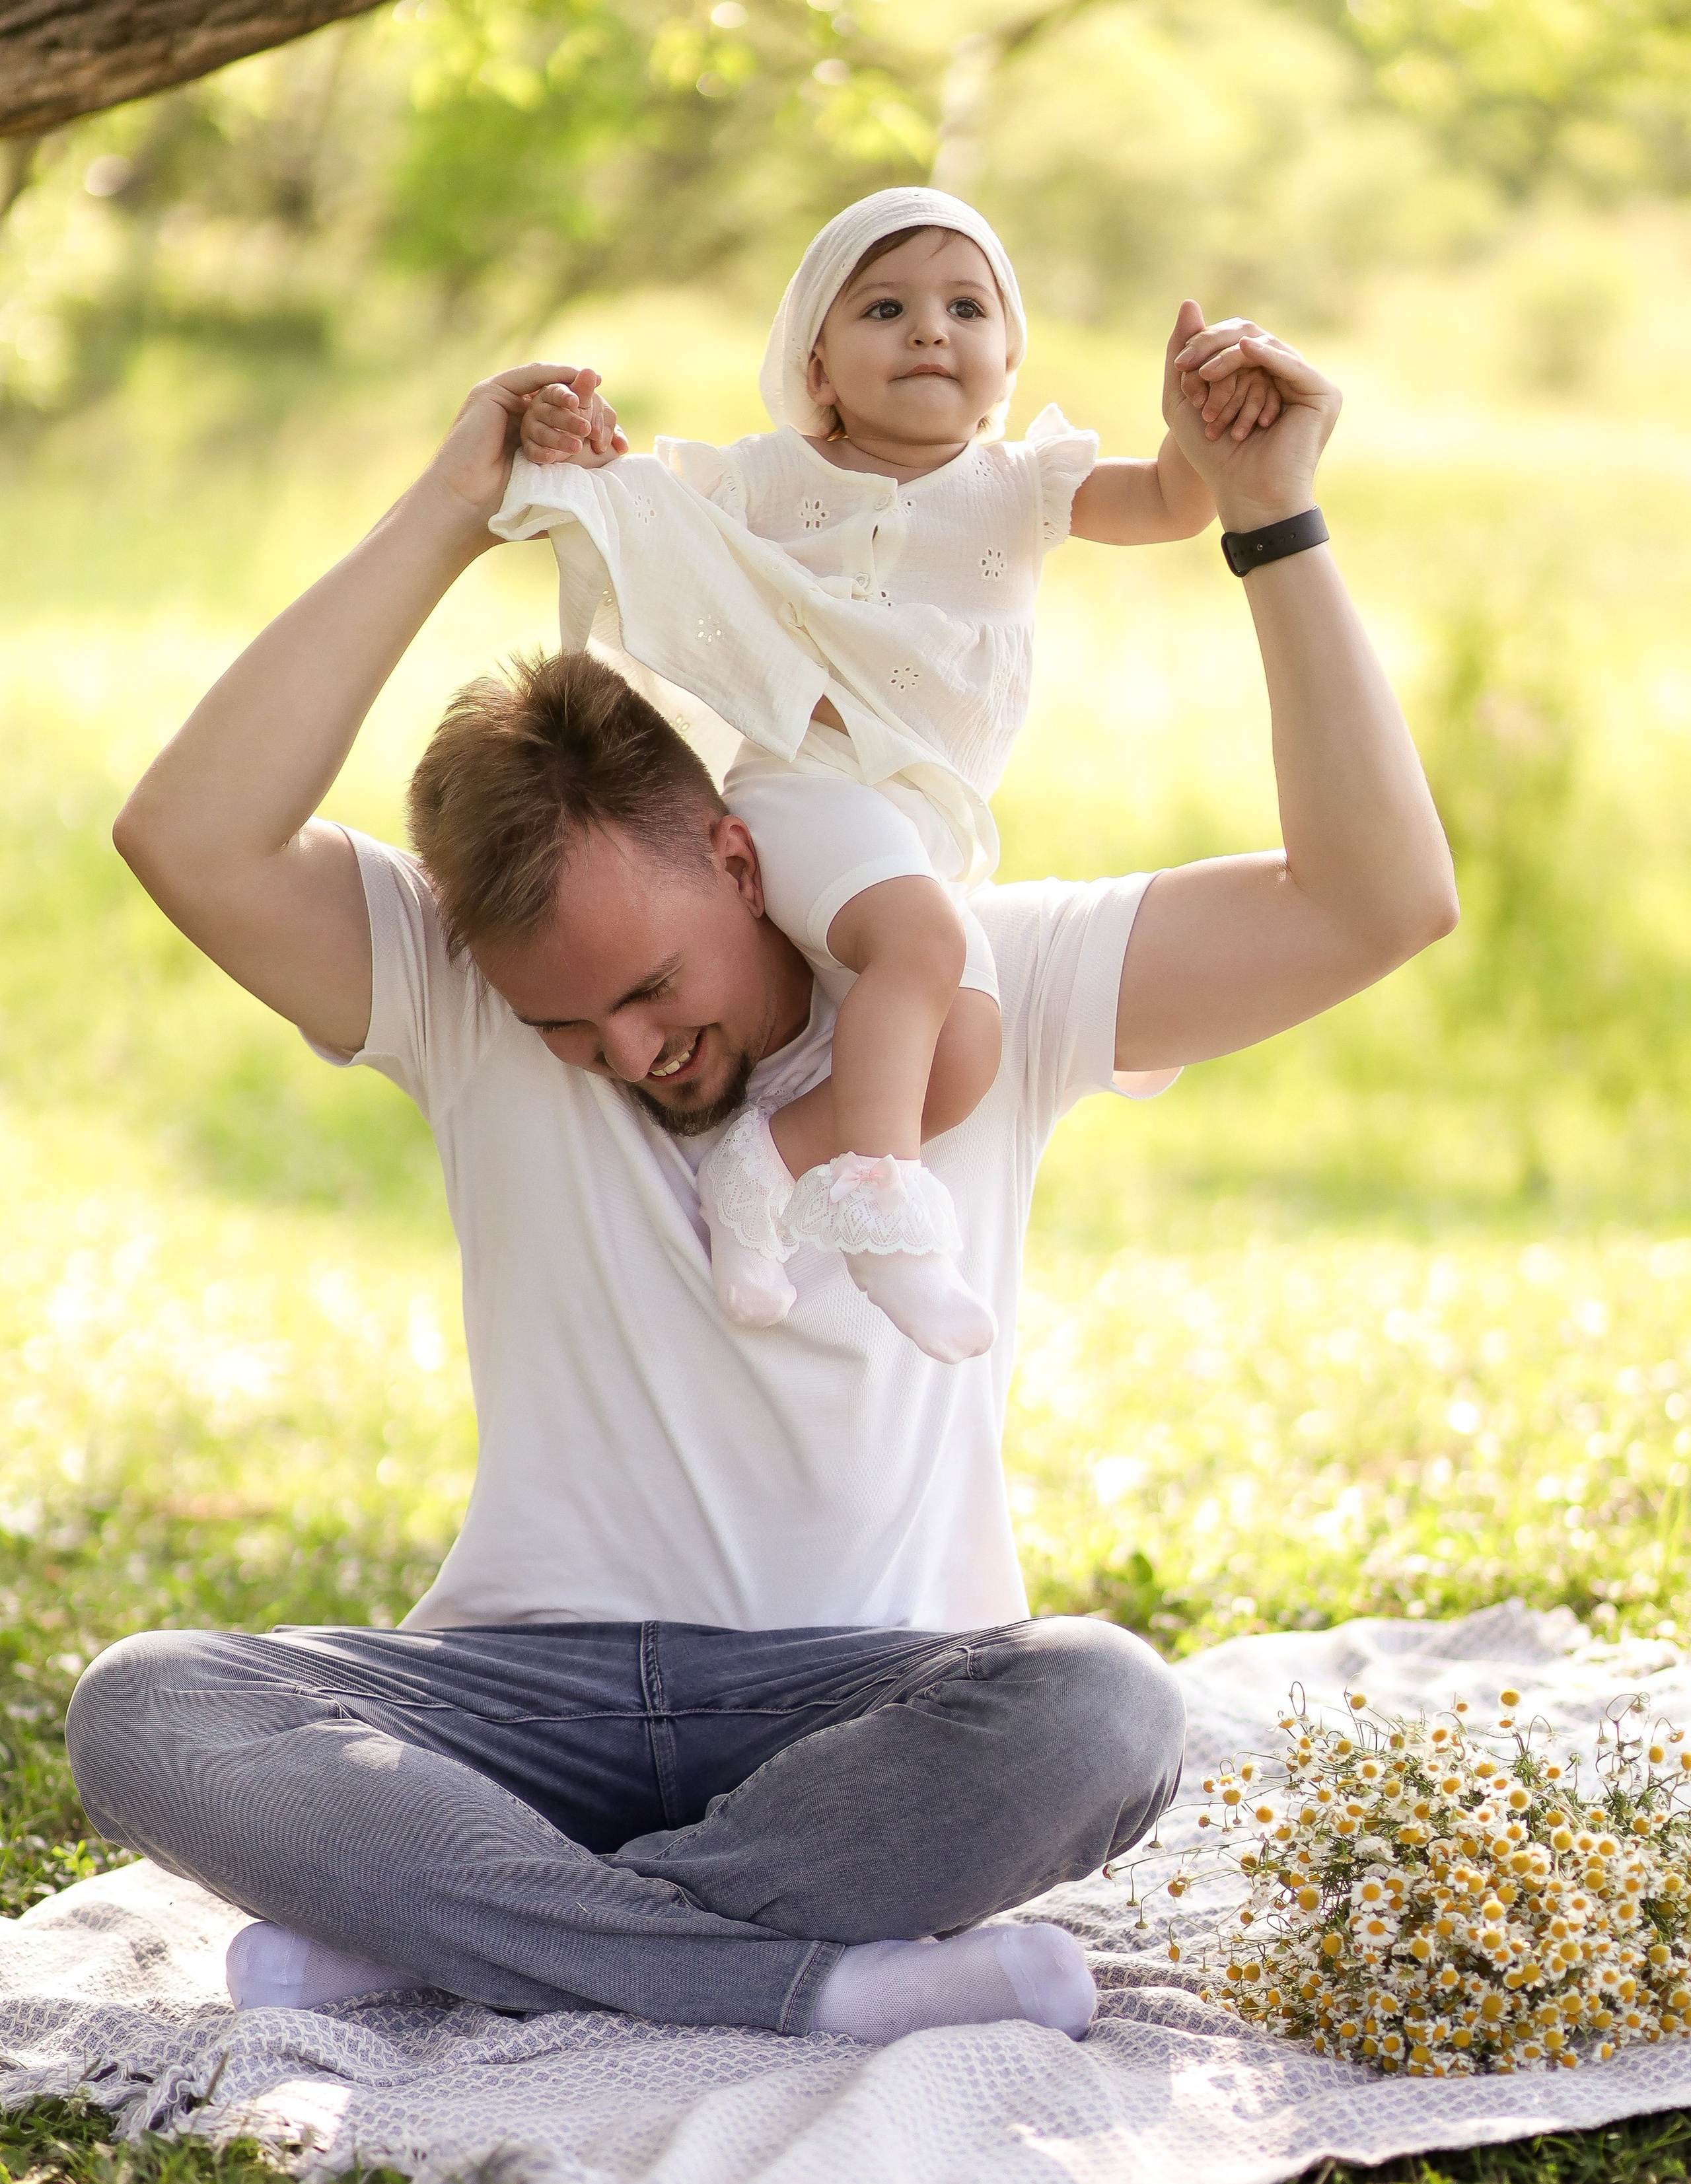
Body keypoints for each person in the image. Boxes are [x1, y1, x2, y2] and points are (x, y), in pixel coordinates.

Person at [63, 301, 1455, 2051]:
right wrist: (447, 507)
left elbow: (1377, 902)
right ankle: (809, 1975)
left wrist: (1269, 516)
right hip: (521, 1695)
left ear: (734, 851)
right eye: (571, 1031)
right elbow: (185, 834)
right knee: (149, 1708)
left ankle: (458, 1931)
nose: (631, 1054)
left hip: (866, 1704)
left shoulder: (985, 977)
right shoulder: (463, 988)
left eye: (651, 990)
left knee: (1103, 1707)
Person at [497, 188, 1279, 1363]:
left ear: (1007, 354)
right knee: (921, 949)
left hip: (915, 824)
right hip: (802, 788)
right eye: (885, 308)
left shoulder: (1024, 488)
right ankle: (889, 1216)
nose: (930, 331)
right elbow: (642, 519)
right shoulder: (769, 477)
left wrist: (1194, 427)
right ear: (815, 357)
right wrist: (580, 450)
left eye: (967, 308)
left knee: (962, 1051)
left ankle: (765, 1169)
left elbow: (1176, 502)